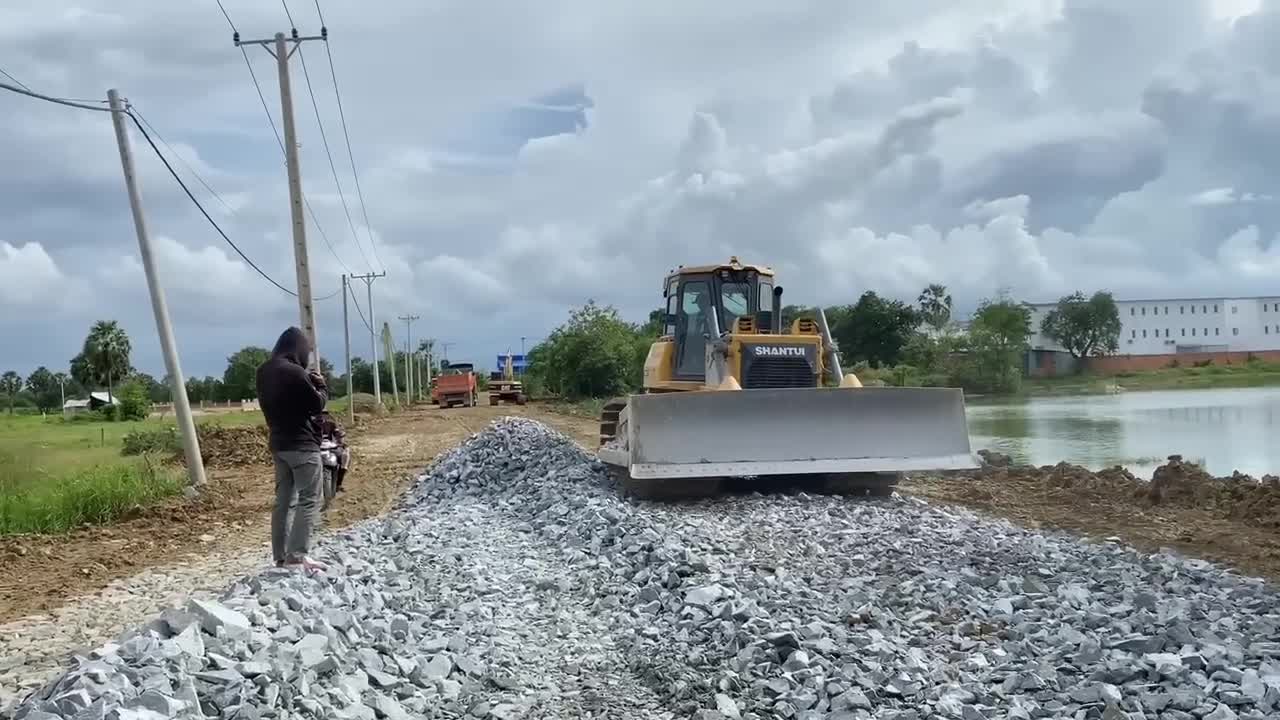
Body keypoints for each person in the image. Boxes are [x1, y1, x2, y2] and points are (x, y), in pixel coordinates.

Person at [256, 326, 328, 572]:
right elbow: (316, 404)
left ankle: (280, 556)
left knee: (283, 501)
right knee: (310, 498)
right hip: (302, 446)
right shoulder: (296, 373)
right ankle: (297, 555)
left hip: (278, 445)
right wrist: (321, 385)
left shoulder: (263, 372)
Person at [316, 410, 350, 492]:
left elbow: (337, 434)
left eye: (324, 414)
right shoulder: (310, 423)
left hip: (328, 448)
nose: (322, 416)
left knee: (345, 455)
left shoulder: (330, 423)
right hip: (315, 449)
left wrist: (340, 442)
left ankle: (339, 483)